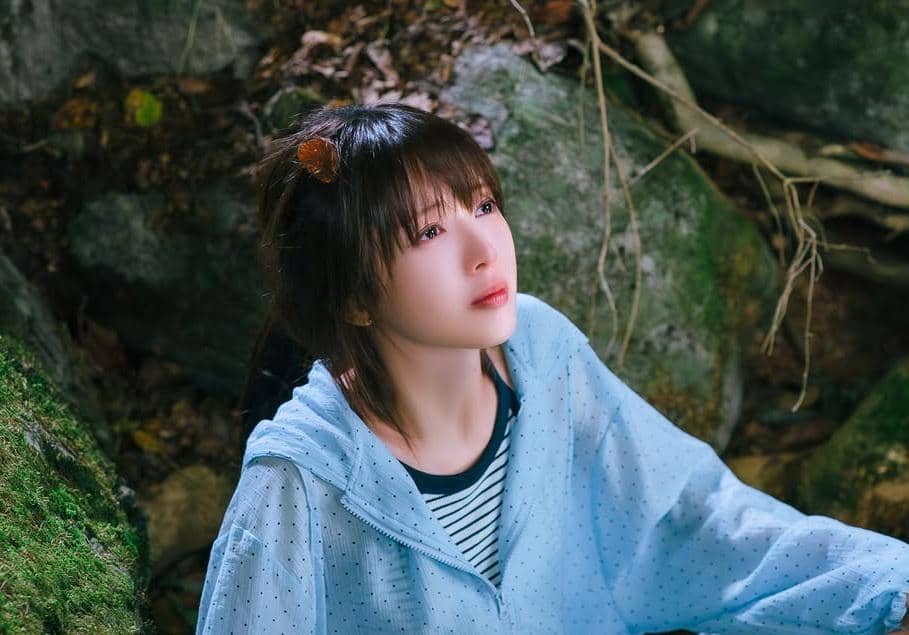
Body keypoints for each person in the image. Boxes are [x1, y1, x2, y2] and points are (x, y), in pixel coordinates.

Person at [196, 102, 909, 634]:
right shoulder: (298, 484)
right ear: (353, 298)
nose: (484, 251)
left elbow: (690, 518)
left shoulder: (541, 353)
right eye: (429, 231)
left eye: (483, 205)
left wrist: (886, 585)